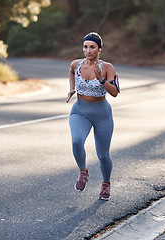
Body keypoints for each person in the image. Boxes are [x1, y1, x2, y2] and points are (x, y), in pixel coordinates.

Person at [66, 32, 119, 200]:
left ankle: (106, 184)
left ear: (99, 49)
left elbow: (115, 93)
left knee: (103, 155)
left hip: (102, 113)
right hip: (80, 111)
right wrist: (72, 88)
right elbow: (71, 72)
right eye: (85, 47)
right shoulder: (76, 64)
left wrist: (101, 79)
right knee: (76, 141)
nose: (88, 50)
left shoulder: (107, 68)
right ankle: (83, 171)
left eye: (92, 47)